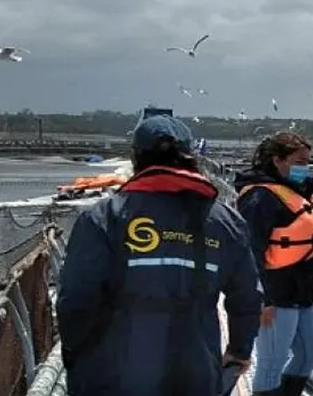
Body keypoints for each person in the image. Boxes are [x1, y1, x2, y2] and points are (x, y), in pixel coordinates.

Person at [56, 115, 263, 396]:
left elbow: (75, 301)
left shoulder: (103, 218)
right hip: (196, 373)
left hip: (113, 375)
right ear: (191, 157)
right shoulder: (226, 222)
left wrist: (75, 357)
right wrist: (239, 351)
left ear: (136, 158)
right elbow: (247, 297)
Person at [233, 132, 313, 396]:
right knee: (270, 364)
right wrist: (262, 299)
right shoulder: (259, 198)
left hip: (303, 291)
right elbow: (248, 251)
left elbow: (311, 226)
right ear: (277, 160)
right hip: (277, 295)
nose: (305, 167)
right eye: (299, 161)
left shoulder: (298, 192)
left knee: (311, 352)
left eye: (308, 161)